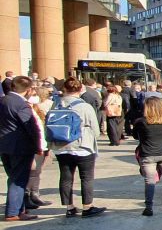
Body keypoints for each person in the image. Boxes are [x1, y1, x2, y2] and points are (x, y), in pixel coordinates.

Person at [51, 78, 105, 218]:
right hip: (82, 146)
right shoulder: (84, 106)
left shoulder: (56, 104)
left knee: (65, 177)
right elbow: (95, 130)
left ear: (65, 89)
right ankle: (87, 206)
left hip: (61, 145)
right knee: (86, 177)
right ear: (80, 89)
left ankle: (69, 207)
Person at [0, 76, 43, 221]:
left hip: (5, 145)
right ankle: (13, 212)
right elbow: (31, 126)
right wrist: (38, 146)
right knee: (18, 179)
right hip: (21, 147)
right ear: (28, 90)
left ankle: (18, 209)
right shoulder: (21, 104)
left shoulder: (3, 100)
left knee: (13, 177)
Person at [132, 96, 162, 216]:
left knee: (150, 181)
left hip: (148, 154)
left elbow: (135, 136)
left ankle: (149, 207)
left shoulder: (141, 122)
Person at [25, 87, 54, 208]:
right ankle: (27, 196)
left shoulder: (37, 109)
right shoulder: (24, 108)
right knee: (31, 171)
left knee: (37, 171)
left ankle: (34, 194)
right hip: (32, 146)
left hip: (42, 144)